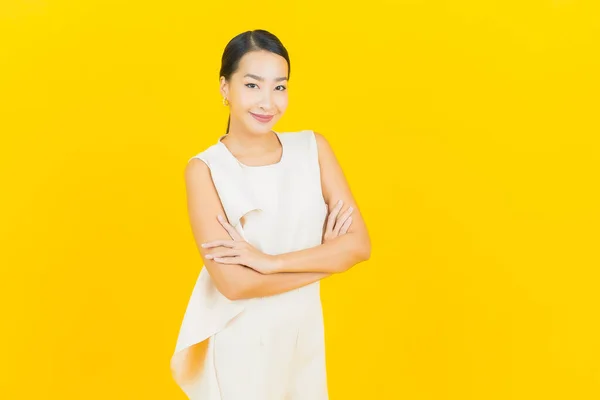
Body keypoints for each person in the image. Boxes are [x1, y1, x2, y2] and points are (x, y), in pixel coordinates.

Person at [170, 29, 371, 400]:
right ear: (224, 88)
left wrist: (269, 262)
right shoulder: (206, 170)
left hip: (303, 335)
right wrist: (328, 259)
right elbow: (235, 285)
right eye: (252, 85)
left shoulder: (313, 148)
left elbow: (359, 246)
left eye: (280, 87)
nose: (268, 102)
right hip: (241, 342)